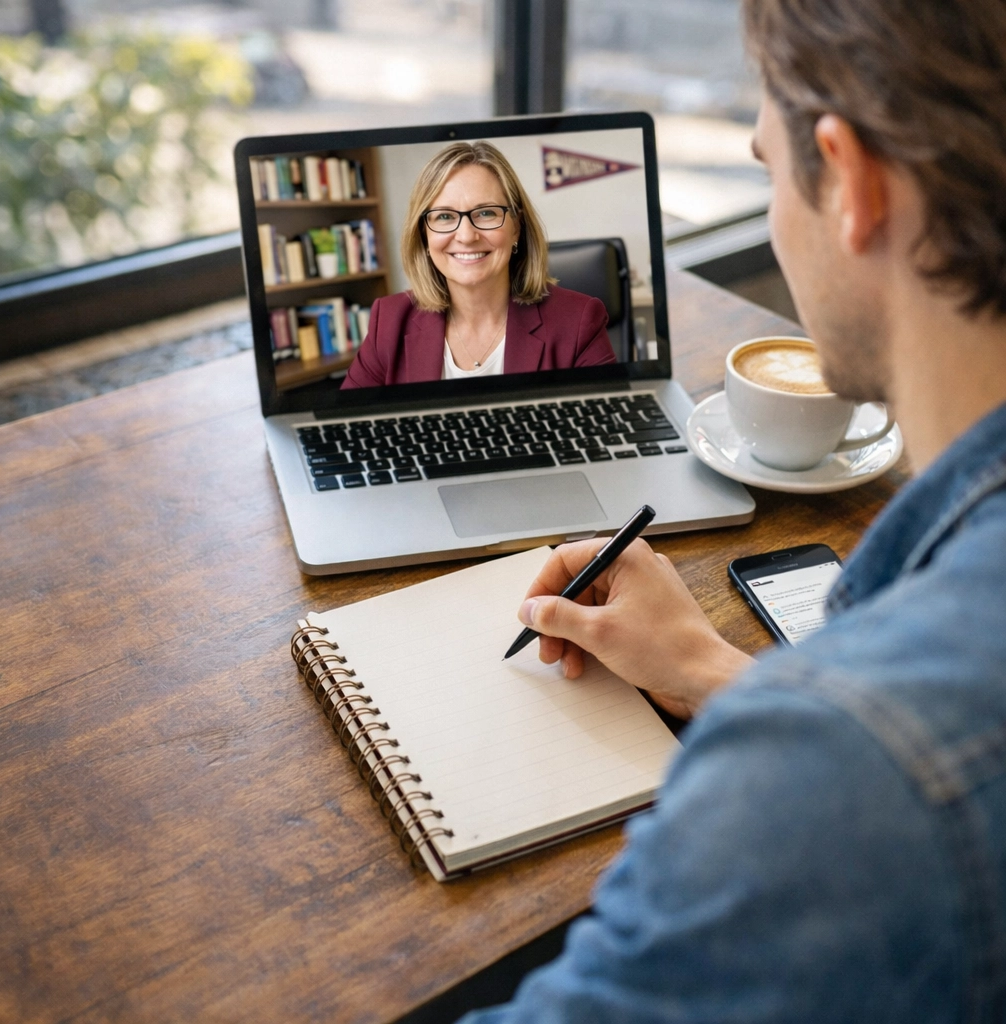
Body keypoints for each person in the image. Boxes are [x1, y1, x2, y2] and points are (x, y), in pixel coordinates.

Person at [461, 0, 1006, 1020]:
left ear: (848, 180)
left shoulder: (827, 777)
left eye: (764, 166)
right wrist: (721, 674)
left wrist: (798, 724)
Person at [340, 141, 617, 388]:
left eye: (486, 213)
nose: (466, 236)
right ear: (423, 234)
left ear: (516, 228)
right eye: (445, 217)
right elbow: (346, 430)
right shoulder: (388, 321)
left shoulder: (579, 321)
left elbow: (606, 429)